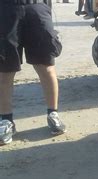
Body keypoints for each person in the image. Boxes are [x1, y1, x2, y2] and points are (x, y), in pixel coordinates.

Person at [0, 0, 67, 146]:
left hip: (37, 8)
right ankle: (6, 120)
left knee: (46, 66)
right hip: (6, 9)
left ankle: (52, 113)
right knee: (5, 71)